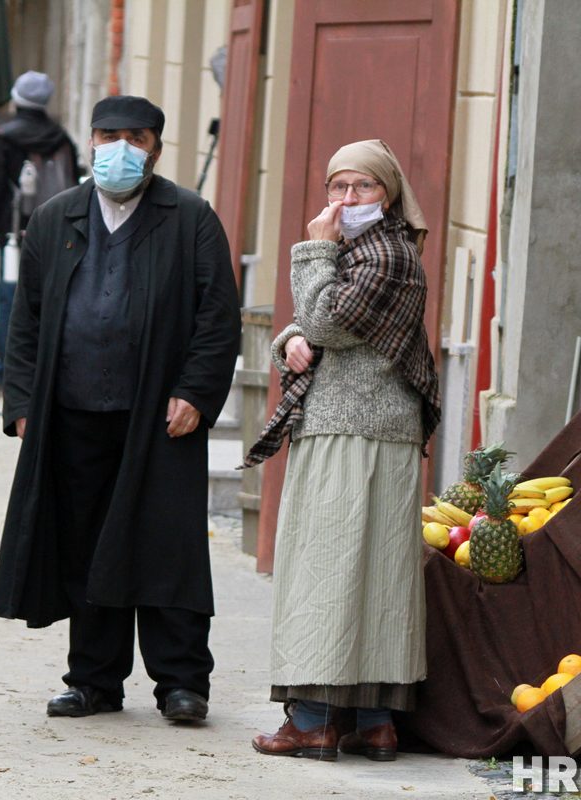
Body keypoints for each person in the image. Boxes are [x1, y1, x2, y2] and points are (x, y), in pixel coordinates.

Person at [0, 95, 242, 724]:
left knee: (167, 545)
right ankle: (94, 681)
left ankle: (182, 683)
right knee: (86, 546)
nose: (119, 148)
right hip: (73, 410)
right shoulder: (56, 218)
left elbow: (217, 318)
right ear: (91, 141)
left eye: (134, 137)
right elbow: (28, 320)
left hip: (160, 414)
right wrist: (22, 401)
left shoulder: (189, 218)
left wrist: (196, 392)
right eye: (107, 135)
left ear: (156, 147)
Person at [245, 139, 441, 762]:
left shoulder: (386, 253)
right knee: (373, 576)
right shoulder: (374, 253)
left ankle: (311, 721)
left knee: (325, 570)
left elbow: (328, 322)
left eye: (363, 188)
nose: (347, 200)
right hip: (361, 427)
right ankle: (374, 722)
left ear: (389, 195)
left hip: (354, 433)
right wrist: (289, 342)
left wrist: (314, 248)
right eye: (338, 187)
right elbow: (320, 324)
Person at [0, 69, 80, 388]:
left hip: (11, 235)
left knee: (9, 302)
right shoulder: (63, 140)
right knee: (50, 303)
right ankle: (44, 375)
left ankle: (9, 376)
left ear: (16, 98)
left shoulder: (2, 138)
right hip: (58, 235)